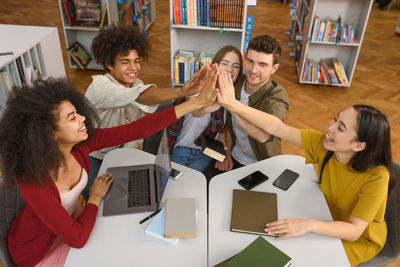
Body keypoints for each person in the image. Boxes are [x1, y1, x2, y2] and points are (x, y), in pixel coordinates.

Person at [0, 69, 217, 267]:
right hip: (38, 252)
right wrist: (94, 197)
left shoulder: (80, 144)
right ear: (48, 133)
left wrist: (192, 104)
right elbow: (77, 239)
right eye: (72, 117)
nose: (83, 118)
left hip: (70, 225)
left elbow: (135, 130)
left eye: (78, 112)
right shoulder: (33, 182)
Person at [216, 71, 395, 266]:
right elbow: (278, 128)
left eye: (341, 128)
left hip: (355, 241)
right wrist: (233, 104)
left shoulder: (377, 177)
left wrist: (308, 225)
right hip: (324, 213)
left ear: (359, 146)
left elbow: (354, 231)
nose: (330, 127)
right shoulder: (325, 146)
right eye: (335, 119)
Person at [84, 23, 207, 197]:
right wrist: (182, 91)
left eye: (136, 61)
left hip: (119, 154)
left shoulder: (137, 84)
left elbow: (136, 129)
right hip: (93, 157)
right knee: (101, 201)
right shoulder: (100, 87)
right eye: (125, 62)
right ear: (109, 64)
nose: (134, 68)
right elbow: (138, 96)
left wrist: (127, 160)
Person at [203, 35, 290, 180]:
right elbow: (228, 125)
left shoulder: (277, 96)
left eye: (262, 65)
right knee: (206, 185)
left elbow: (263, 135)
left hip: (264, 166)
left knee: (247, 201)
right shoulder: (237, 81)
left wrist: (232, 104)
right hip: (234, 156)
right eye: (250, 61)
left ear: (274, 68)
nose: (254, 70)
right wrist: (227, 154)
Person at [166, 45, 242, 172]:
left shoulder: (230, 97)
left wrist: (225, 155)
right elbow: (196, 111)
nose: (230, 70)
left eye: (236, 66)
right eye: (225, 64)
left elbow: (223, 132)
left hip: (203, 154)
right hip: (178, 149)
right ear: (214, 66)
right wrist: (209, 107)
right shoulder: (198, 85)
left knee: (196, 189)